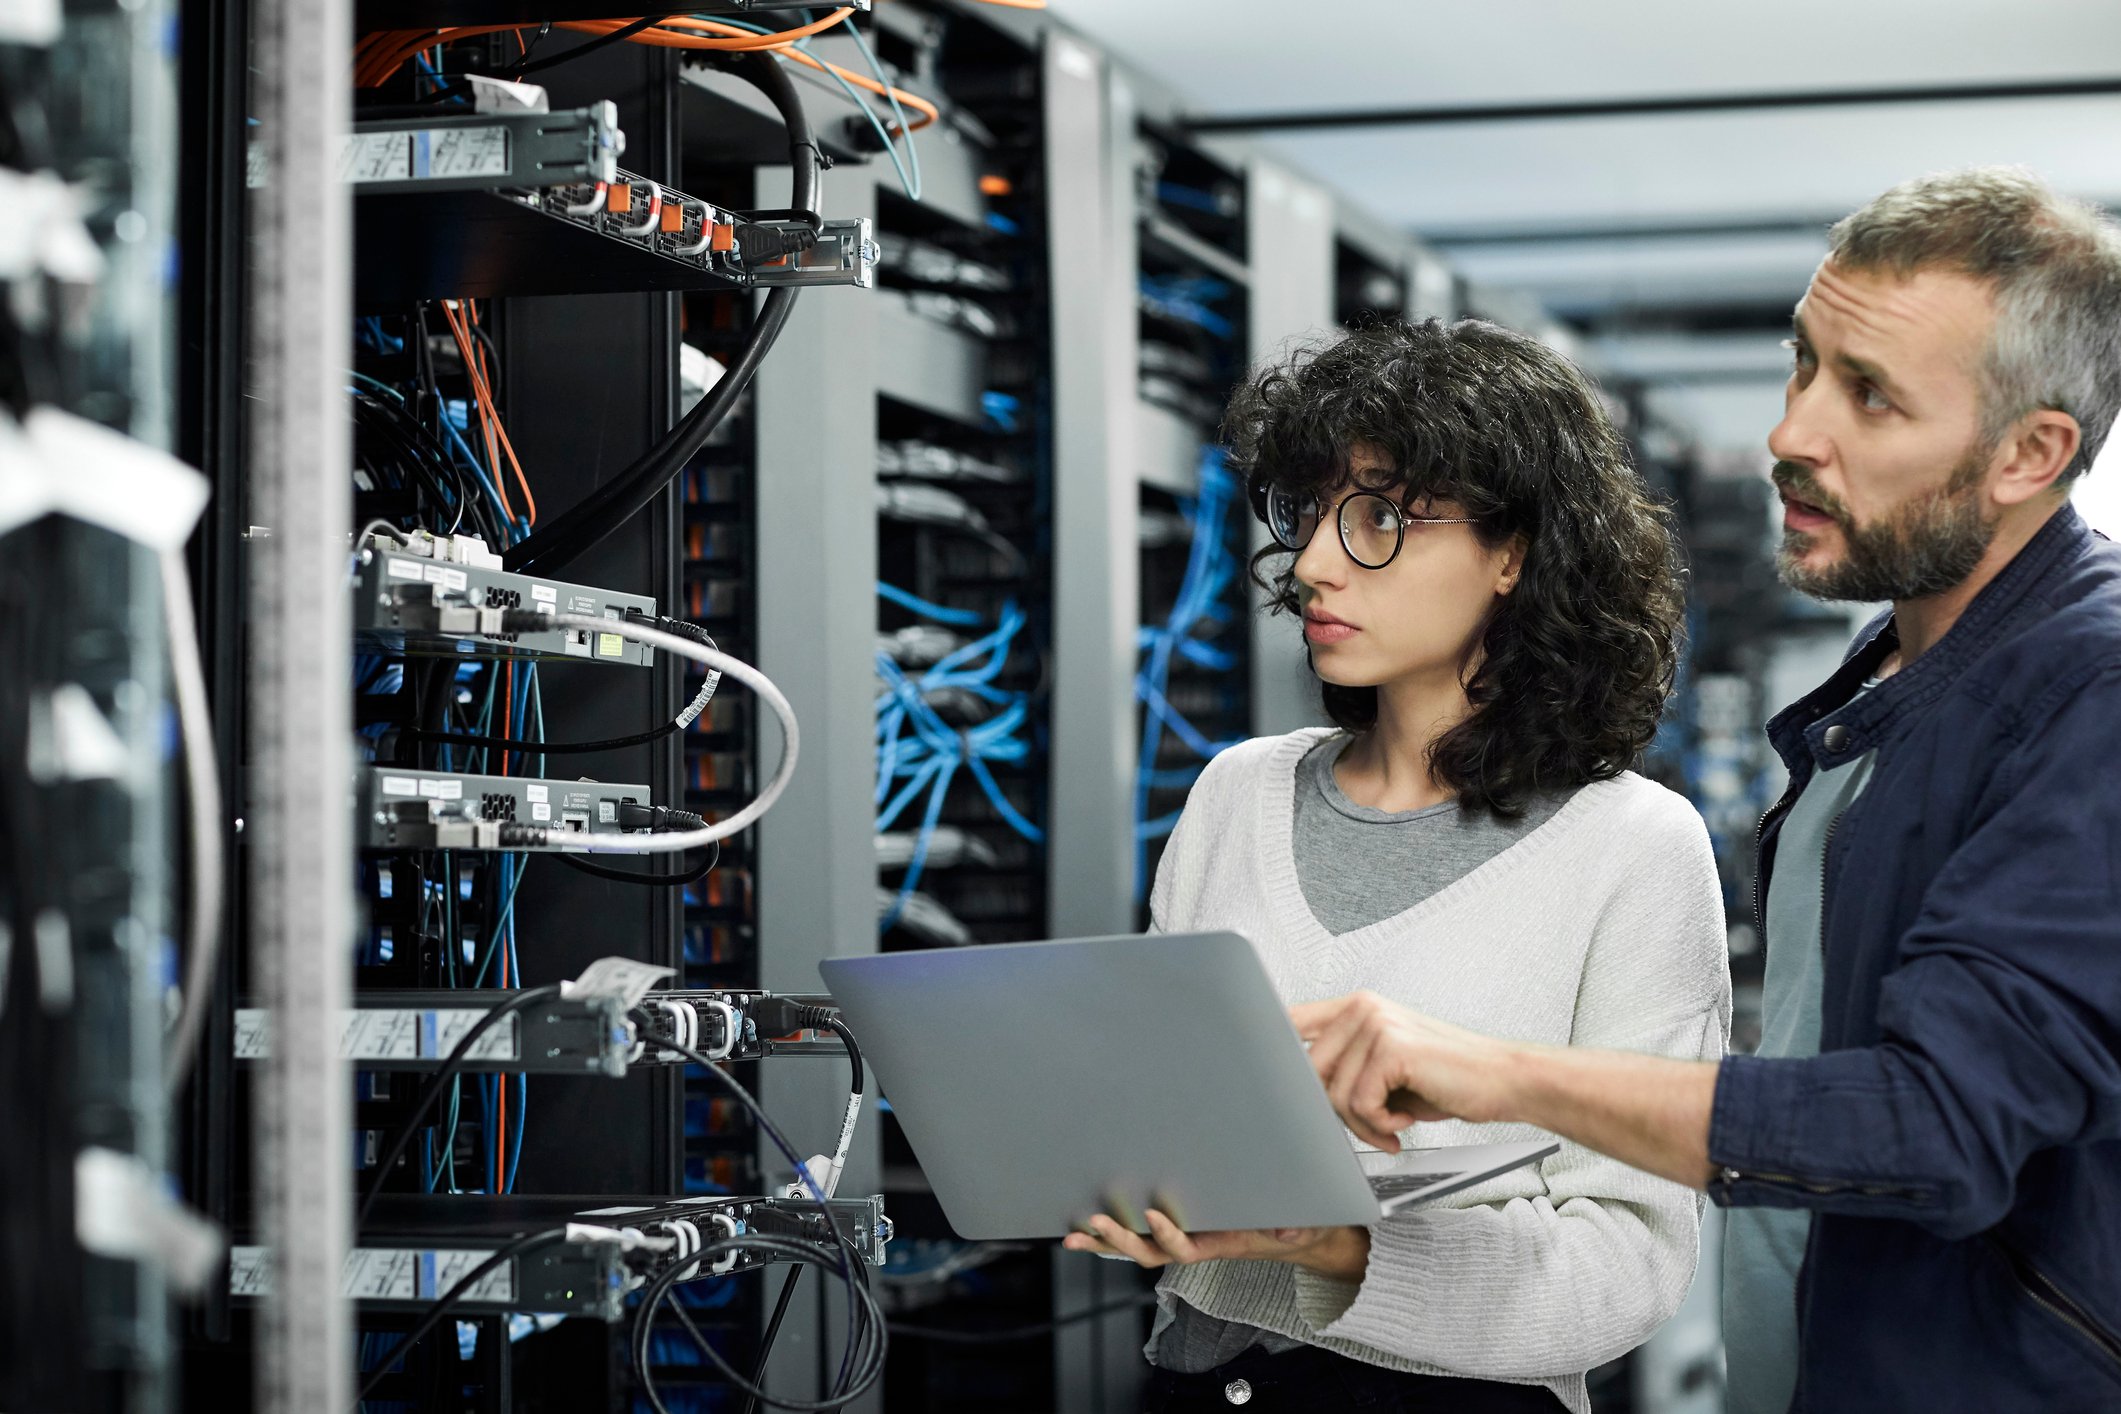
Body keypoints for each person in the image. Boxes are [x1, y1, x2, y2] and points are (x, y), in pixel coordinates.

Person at [1292, 167, 2121, 1414]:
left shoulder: (2090, 695)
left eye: (1872, 396)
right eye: (1807, 363)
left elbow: (1934, 1126)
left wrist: (1500, 1072)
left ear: (2031, 453)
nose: (1793, 431)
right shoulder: (1905, 673)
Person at [1060, 319, 1732, 1414]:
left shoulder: (1633, 847)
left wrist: (1347, 1252)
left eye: (1379, 516)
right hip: (1196, 1387)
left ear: (1514, 552)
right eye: (1309, 513)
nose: (1316, 561)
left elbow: (1631, 1268)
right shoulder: (1238, 791)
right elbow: (1163, 1115)